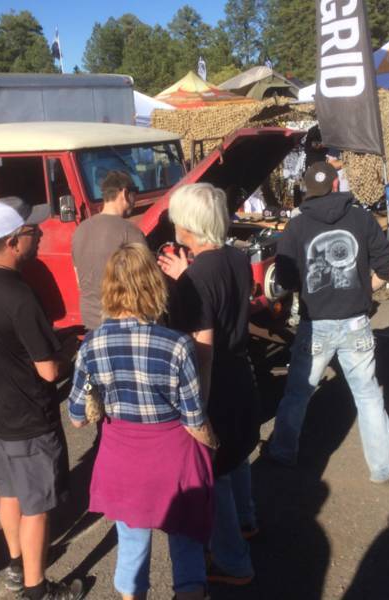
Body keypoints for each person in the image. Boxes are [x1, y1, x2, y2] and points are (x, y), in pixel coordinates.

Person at [68, 243, 217, 600]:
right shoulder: (178, 345)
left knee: (132, 549)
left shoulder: (91, 346)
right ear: (154, 286)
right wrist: (214, 442)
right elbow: (194, 418)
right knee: (187, 546)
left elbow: (76, 418)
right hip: (173, 463)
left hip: (123, 461)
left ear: (109, 288)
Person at [0, 197, 83, 600]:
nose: (40, 234)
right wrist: (70, 352)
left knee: (9, 493)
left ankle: (16, 565)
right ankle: (36, 589)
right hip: (26, 418)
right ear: (13, 241)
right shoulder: (20, 296)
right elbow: (48, 370)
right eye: (32, 231)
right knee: (36, 507)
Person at [265, 162, 389, 483]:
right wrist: (366, 290)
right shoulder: (361, 217)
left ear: (307, 189)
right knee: (368, 396)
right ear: (337, 184)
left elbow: (284, 277)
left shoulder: (295, 228)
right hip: (356, 322)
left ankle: (282, 452)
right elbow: (387, 265)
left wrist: (310, 290)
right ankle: (382, 469)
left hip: (316, 325)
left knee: (298, 392)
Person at [159, 183, 260, 586]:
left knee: (213, 467)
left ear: (189, 225)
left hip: (213, 377)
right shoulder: (235, 256)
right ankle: (248, 520)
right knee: (236, 453)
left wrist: (194, 407)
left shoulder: (196, 278)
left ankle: (234, 560)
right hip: (239, 368)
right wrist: (189, 274)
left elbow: (201, 348)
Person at [72, 170, 146, 331]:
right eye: (135, 194)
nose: (135, 201)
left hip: (91, 321)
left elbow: (79, 280)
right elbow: (145, 281)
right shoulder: (129, 231)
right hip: (123, 322)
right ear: (125, 193)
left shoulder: (80, 230)